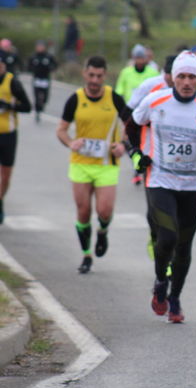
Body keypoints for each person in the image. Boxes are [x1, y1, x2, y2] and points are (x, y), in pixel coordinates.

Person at [127, 51, 196, 323]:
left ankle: (175, 299)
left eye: (192, 77)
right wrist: (136, 153)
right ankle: (161, 281)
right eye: (181, 76)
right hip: (160, 180)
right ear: (173, 78)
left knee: (184, 247)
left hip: (193, 186)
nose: (186, 82)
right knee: (167, 237)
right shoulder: (155, 101)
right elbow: (130, 127)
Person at [56, 56, 128, 273]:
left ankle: (103, 232)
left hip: (107, 164)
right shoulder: (75, 99)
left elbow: (131, 125)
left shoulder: (114, 98)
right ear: (84, 74)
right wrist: (71, 142)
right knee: (84, 211)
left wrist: (123, 144)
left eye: (99, 76)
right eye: (91, 75)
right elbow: (61, 129)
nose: (95, 80)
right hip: (81, 164)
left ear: (104, 76)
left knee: (104, 210)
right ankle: (86, 255)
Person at [124, 54, 176, 261]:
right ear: (166, 73)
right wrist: (134, 146)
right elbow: (128, 112)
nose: (180, 81)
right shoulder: (151, 87)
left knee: (176, 214)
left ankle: (170, 255)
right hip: (151, 155)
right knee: (155, 209)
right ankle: (155, 236)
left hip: (177, 161)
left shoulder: (189, 90)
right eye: (173, 76)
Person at [115, 44, 159, 185]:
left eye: (142, 57)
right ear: (133, 58)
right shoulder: (126, 72)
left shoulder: (152, 73)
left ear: (146, 59)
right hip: (130, 113)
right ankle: (136, 160)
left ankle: (140, 168)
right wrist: (122, 112)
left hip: (147, 114)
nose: (140, 60)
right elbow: (120, 91)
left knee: (145, 141)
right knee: (128, 140)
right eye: (137, 57)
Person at [0, 52, 31, 223]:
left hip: (8, 135)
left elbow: (27, 106)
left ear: (4, 66)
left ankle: (0, 200)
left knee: (5, 175)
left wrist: (9, 106)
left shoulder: (12, 82)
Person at [27, 40, 58, 123]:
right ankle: (37, 111)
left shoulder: (48, 56)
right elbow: (29, 66)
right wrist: (32, 69)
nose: (40, 48)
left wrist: (51, 68)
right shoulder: (34, 57)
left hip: (45, 79)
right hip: (37, 79)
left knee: (45, 96)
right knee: (37, 96)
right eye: (38, 46)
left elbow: (55, 65)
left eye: (42, 46)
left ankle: (43, 104)